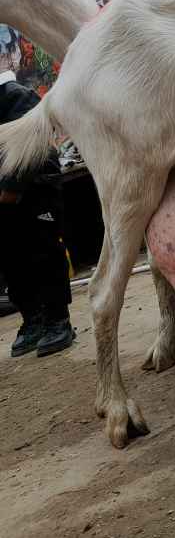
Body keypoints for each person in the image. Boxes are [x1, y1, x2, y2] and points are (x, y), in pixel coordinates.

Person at [0, 69, 75, 357]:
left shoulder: (18, 96)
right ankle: (32, 319)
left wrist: (11, 189)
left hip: (36, 190)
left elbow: (31, 149)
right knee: (10, 259)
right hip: (5, 197)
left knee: (44, 251)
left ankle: (58, 319)